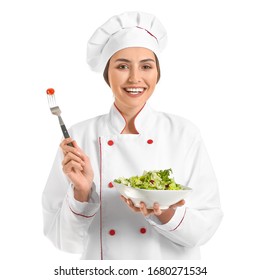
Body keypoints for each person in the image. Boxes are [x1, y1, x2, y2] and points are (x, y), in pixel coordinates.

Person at [42, 11, 223, 260]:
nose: (135, 78)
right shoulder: (79, 137)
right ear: (107, 74)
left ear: (157, 74)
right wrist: (81, 194)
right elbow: (64, 241)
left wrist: (162, 212)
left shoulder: (183, 133)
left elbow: (205, 227)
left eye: (146, 66)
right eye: (122, 66)